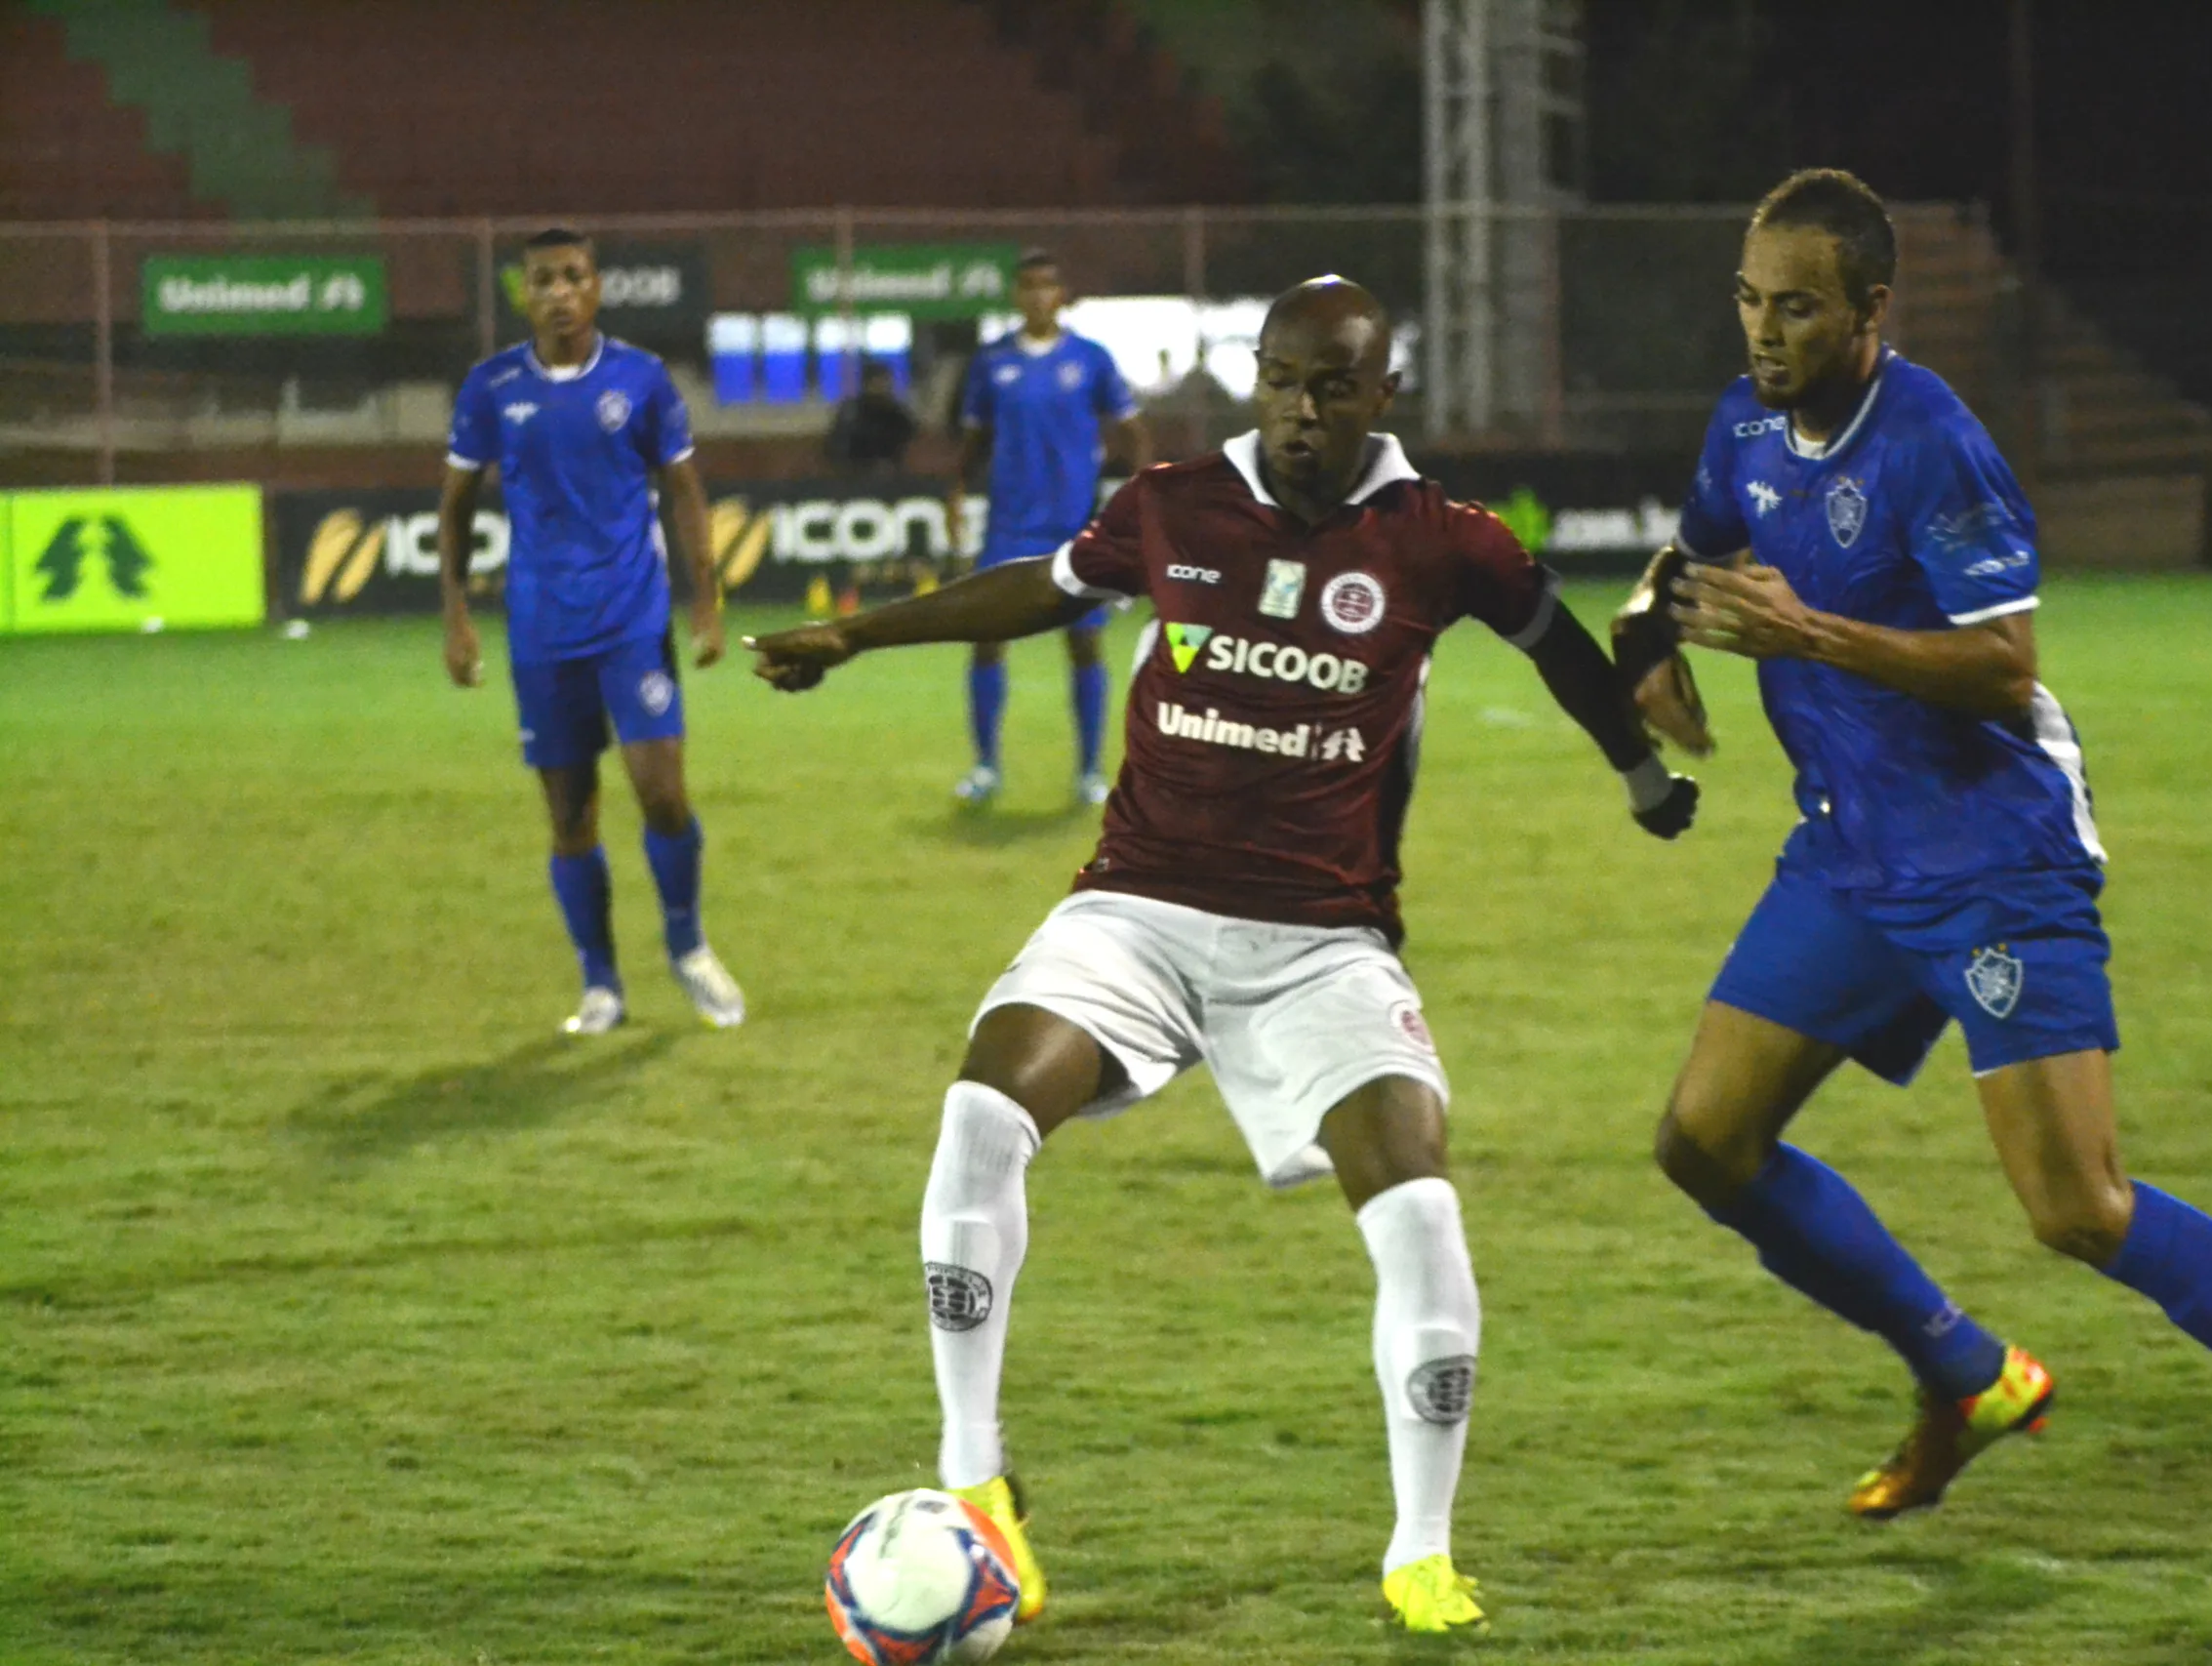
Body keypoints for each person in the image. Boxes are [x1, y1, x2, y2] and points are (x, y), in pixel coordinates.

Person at [751, 277, 1699, 1630]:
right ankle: (977, 1486)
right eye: (1280, 380)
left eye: (1331, 386)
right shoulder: (1173, 500)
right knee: (979, 1110)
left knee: (1419, 1201)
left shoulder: (1446, 538)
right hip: (1136, 904)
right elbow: (1045, 585)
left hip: (1324, 939)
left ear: (1383, 395)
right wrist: (857, 630)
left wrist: (1640, 769)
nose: (1301, 409)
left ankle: (1419, 1548)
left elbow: (1555, 645)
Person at [1614, 170, 2212, 1565]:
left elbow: (2004, 668)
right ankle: (1964, 1369)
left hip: (1995, 850)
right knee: (1703, 1138)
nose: (1763, 331)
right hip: (1850, 854)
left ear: (1872, 311)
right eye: (1750, 300)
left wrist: (1807, 636)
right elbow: (1688, 556)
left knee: (2077, 1205)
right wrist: (1652, 641)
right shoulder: (1745, 418)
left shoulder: (1936, 443)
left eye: (1797, 306)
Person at [439, 227, 745, 1036]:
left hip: (633, 622)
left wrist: (705, 602)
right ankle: (601, 982)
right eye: (543, 279)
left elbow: (684, 488)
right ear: (524, 293)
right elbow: (457, 505)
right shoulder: (491, 387)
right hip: (542, 632)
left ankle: (687, 942)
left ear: (596, 287)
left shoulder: (642, 380)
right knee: (571, 816)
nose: (559, 292)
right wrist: (457, 613)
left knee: (663, 793)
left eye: (573, 276)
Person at [945, 249, 1151, 807]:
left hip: (1074, 526)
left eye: (1046, 286)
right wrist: (957, 489)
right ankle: (986, 766)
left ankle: (1089, 773)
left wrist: (1140, 495)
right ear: (1017, 295)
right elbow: (973, 440)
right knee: (987, 642)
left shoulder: (1091, 360)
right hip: (1009, 528)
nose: (1037, 295)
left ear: (1061, 295)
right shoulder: (992, 363)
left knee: (1084, 643)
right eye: (1028, 286)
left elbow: (1133, 433)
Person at [825, 360, 918, 476]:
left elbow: (909, 437)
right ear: (867, 383)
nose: (883, 386)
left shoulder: (896, 411)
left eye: (886, 381)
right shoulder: (851, 411)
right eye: (878, 381)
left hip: (891, 473)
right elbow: (839, 446)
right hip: (854, 473)